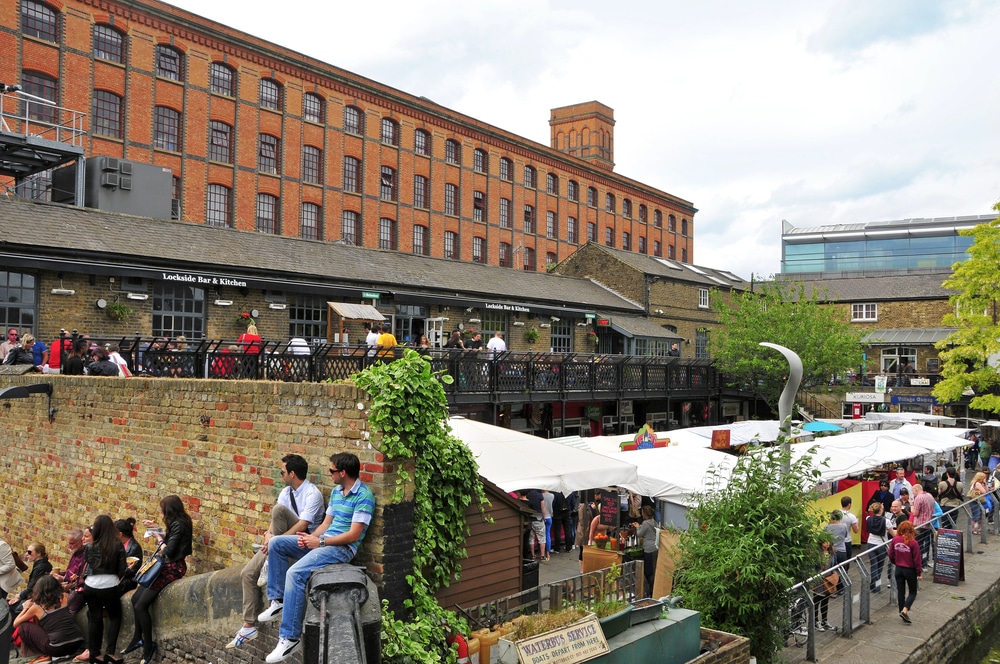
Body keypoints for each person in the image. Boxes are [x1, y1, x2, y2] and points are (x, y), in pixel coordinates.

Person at [258, 452, 374, 664]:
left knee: (295, 573)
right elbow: (326, 524)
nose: (329, 474)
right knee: (276, 543)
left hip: (341, 549)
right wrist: (310, 538)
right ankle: (279, 600)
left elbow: (354, 535)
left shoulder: (364, 497)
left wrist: (319, 543)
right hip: (323, 542)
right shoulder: (338, 492)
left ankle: (290, 637)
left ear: (343, 472)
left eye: (332, 471)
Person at [227, 454, 325, 650]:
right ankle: (248, 625)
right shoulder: (286, 492)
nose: (280, 475)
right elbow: (275, 524)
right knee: (247, 573)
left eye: (282, 471)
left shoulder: (312, 494)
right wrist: (269, 536)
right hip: (282, 540)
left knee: (279, 510)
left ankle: (271, 563)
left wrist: (276, 542)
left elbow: (303, 524)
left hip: (304, 542)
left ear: (292, 473)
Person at [122, 495, 193, 664]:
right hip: (166, 566)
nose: (161, 513)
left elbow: (168, 550)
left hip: (173, 568)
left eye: (163, 510)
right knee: (135, 598)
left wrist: (157, 537)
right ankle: (137, 638)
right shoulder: (177, 522)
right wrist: (156, 529)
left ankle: (148, 647)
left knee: (141, 605)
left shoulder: (180, 524)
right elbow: (170, 542)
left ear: (168, 510)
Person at [83, 515, 128, 664]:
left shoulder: (89, 547)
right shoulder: (117, 545)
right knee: (115, 617)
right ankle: (110, 652)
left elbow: (90, 564)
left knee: (95, 618)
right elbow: (122, 570)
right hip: (109, 586)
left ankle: (94, 654)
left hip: (90, 585)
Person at [12, 575, 85, 662]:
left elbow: (15, 623)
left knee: (24, 626)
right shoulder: (65, 596)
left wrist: (25, 608)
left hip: (57, 649)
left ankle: (43, 654)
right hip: (77, 642)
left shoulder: (38, 606)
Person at [888, 520, 922, 623]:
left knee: (901, 591)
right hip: (910, 570)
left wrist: (896, 562)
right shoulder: (913, 543)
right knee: (913, 591)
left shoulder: (895, 540)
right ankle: (905, 609)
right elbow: (917, 559)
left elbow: (890, 555)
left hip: (898, 569)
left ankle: (901, 611)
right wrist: (919, 573)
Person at [9, 543, 52, 614]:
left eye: (29, 552)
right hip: (37, 597)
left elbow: (33, 587)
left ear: (38, 553)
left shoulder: (40, 568)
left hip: (37, 599)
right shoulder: (43, 565)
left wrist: (20, 595)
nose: (26, 554)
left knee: (12, 609)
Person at [812, 538, 836, 632]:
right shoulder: (817, 554)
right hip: (819, 580)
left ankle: (824, 621)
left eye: (828, 542)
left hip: (828, 580)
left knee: (825, 601)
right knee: (816, 601)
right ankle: (815, 621)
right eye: (825, 542)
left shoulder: (832, 553)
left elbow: (834, 565)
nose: (827, 544)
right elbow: (813, 567)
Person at [909, 484, 936, 566]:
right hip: (928, 524)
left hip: (919, 525)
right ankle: (924, 563)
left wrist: (911, 505)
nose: (913, 493)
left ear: (916, 489)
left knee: (917, 546)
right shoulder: (929, 495)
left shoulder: (918, 498)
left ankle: (918, 564)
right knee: (925, 545)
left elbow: (915, 513)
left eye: (913, 491)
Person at [635, 505, 658, 598]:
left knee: (648, 571)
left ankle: (650, 591)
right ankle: (654, 589)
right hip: (655, 548)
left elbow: (639, 534)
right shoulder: (654, 522)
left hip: (648, 549)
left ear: (644, 514)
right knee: (653, 569)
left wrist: (637, 527)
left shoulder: (645, 523)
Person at [865, 502, 889, 592]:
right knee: (880, 566)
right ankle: (876, 585)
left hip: (871, 544)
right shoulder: (886, 521)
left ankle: (873, 584)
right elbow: (893, 533)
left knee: (873, 565)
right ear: (881, 510)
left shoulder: (868, 519)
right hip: (882, 545)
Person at [115, 518, 143, 595]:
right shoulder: (116, 544)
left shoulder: (134, 548)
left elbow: (132, 571)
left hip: (125, 582)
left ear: (120, 534)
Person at [824, 510, 848, 594]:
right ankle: (841, 589)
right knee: (841, 569)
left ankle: (832, 587)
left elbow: (824, 538)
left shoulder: (827, 527)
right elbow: (845, 536)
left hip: (831, 550)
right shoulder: (844, 526)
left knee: (831, 570)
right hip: (841, 550)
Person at [575, 494, 594, 573]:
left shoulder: (585, 506)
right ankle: (582, 570)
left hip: (584, 531)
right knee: (582, 551)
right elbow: (583, 520)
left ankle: (583, 569)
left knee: (583, 550)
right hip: (583, 532)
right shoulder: (583, 507)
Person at [839, 496, 859, 571]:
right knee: (846, 561)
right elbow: (856, 530)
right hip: (846, 541)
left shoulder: (836, 513)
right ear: (849, 504)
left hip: (837, 540)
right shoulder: (852, 517)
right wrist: (858, 522)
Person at [968, 471, 989, 535]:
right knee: (976, 515)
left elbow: (987, 491)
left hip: (981, 501)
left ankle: (980, 528)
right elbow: (984, 491)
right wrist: (985, 483)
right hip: (975, 501)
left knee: (983, 514)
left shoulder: (980, 483)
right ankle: (973, 529)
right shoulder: (977, 484)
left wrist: (985, 484)